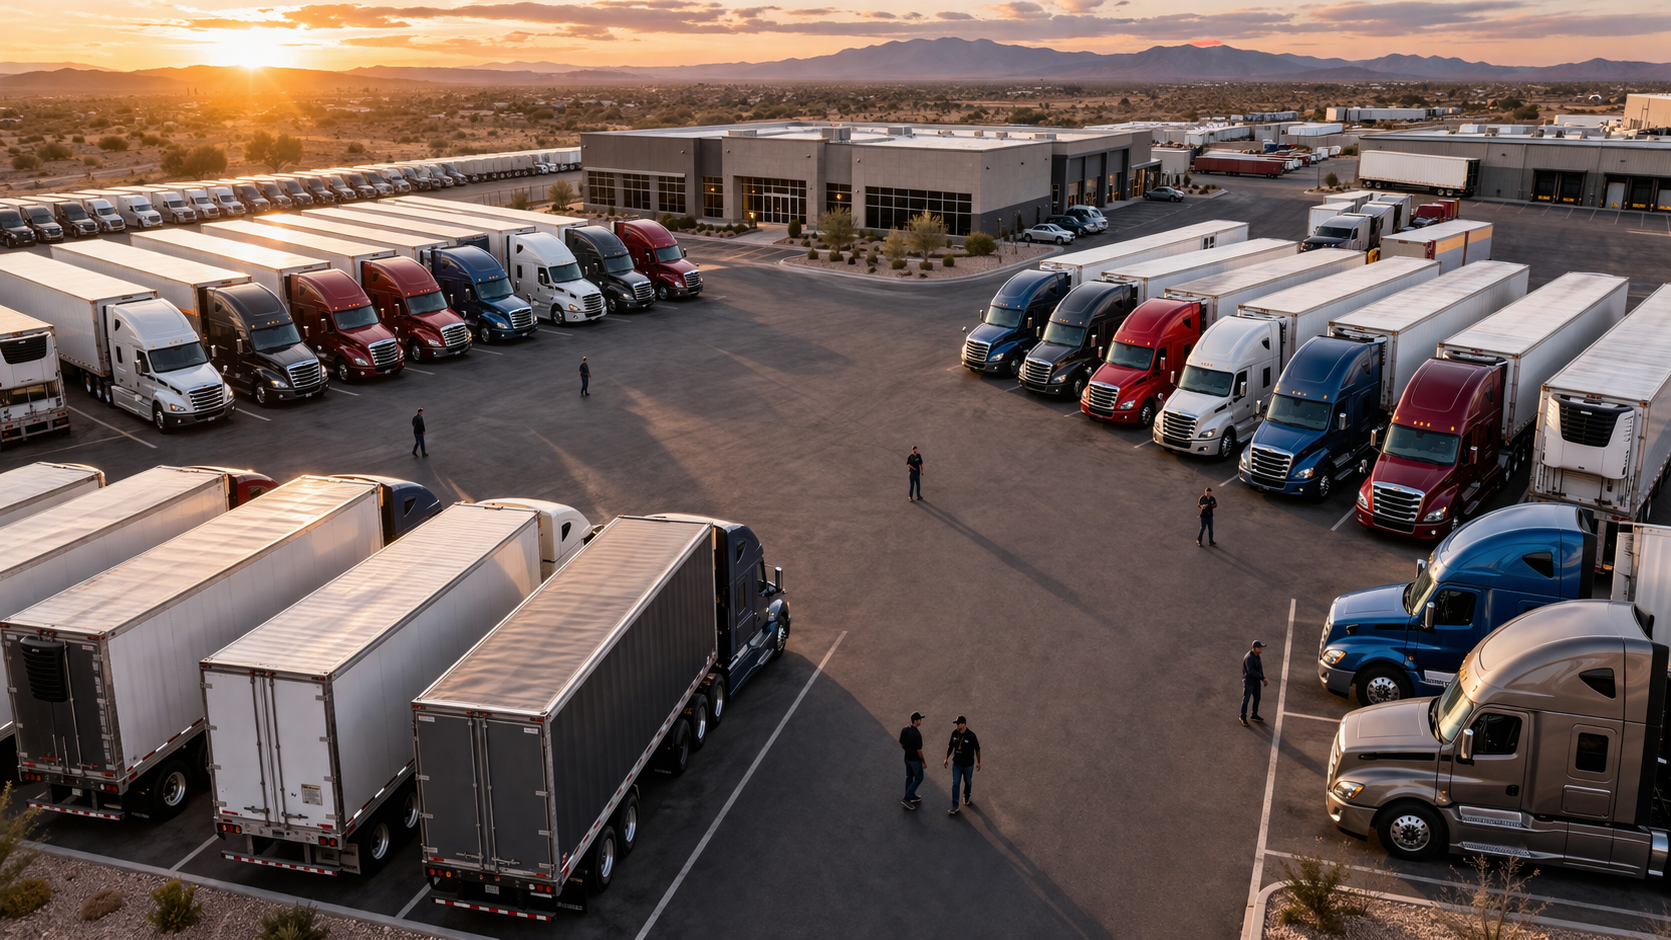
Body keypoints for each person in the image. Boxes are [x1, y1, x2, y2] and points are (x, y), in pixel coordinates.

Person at [944, 716, 980, 815]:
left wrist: (978, 762)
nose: (957, 726)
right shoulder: (955, 733)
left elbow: (977, 749)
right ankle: (955, 806)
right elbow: (951, 746)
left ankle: (966, 794)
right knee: (955, 784)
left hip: (968, 765)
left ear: (963, 724)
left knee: (968, 782)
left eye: (958, 724)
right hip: (957, 764)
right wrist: (946, 758)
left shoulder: (971, 735)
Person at [899, 712, 925, 810]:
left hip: (907, 758)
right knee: (919, 778)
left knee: (909, 776)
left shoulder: (905, 729)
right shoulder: (917, 735)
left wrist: (907, 750)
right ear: (916, 721)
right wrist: (923, 761)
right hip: (915, 760)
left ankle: (910, 796)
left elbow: (901, 744)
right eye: (920, 719)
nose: (921, 721)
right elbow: (919, 750)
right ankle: (906, 798)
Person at [1241, 640, 1268, 726]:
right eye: (1260, 648)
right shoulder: (1249, 657)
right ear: (1255, 648)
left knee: (1257, 698)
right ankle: (1242, 716)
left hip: (1256, 681)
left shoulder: (1257, 656)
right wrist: (1262, 678)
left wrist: (1262, 678)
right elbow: (1251, 671)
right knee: (1246, 699)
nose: (1261, 649)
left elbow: (1260, 669)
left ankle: (1254, 715)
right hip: (1249, 682)